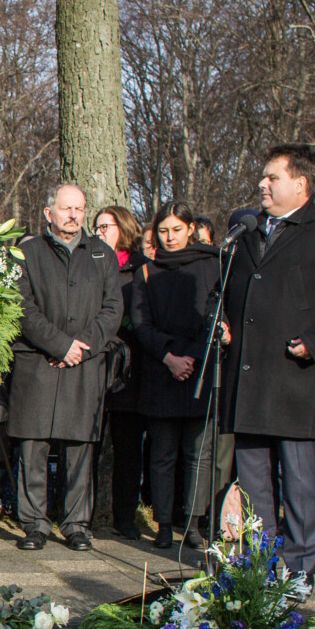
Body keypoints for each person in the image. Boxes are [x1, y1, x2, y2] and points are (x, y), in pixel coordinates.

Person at [216, 145, 315, 587]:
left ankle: (300, 571)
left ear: (300, 184)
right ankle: (259, 570)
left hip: (296, 378)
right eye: (262, 177)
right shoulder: (247, 233)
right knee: (254, 486)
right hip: (248, 381)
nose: (262, 184)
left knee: (300, 485)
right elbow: (221, 291)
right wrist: (221, 322)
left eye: (272, 178)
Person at [7, 183, 121, 551]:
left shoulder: (102, 254)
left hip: (84, 365)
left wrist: (80, 348)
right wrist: (59, 344)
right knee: (33, 447)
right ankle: (34, 524)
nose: (73, 215)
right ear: (48, 212)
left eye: (79, 209)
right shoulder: (27, 254)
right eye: (66, 208)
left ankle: (76, 525)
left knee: (79, 448)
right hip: (38, 362)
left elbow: (112, 310)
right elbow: (21, 307)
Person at [131, 204, 221, 550]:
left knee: (198, 454)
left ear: (191, 229)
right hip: (161, 369)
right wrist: (169, 357)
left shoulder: (211, 265)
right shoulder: (147, 271)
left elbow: (215, 313)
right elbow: (141, 323)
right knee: (162, 455)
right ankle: (164, 524)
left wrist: (193, 356)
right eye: (163, 231)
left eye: (177, 230)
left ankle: (193, 523)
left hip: (200, 369)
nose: (170, 238)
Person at [94, 204, 147, 540]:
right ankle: (82, 515)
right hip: (95, 366)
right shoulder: (90, 263)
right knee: (89, 446)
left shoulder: (141, 269)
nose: (99, 233)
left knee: (128, 450)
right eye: (96, 227)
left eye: (106, 227)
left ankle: (125, 517)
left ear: (123, 228)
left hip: (129, 370)